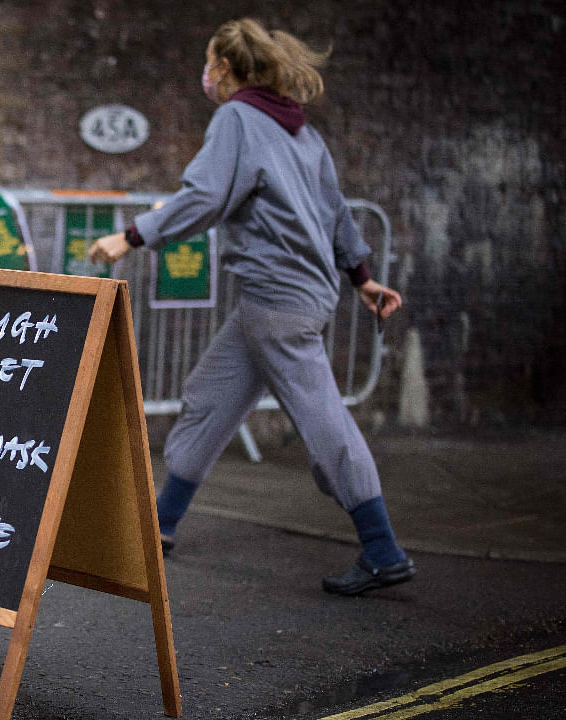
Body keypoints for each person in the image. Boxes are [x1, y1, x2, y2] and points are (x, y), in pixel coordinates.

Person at [88, 18, 414, 596]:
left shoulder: (237, 118)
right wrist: (362, 278)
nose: (205, 73)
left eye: (211, 62)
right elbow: (335, 211)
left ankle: (383, 548)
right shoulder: (301, 134)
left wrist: (133, 236)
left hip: (279, 301)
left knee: (324, 421)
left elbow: (207, 196)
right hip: (278, 297)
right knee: (210, 397)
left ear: (230, 70)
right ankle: (160, 525)